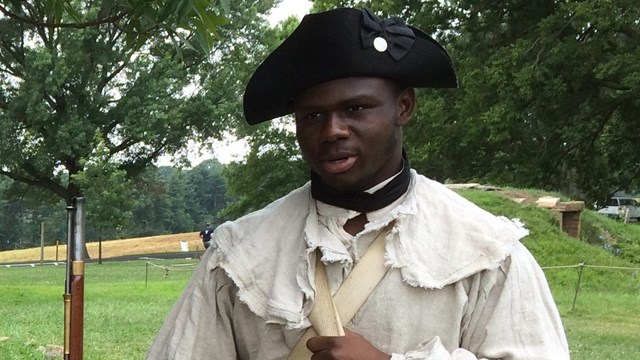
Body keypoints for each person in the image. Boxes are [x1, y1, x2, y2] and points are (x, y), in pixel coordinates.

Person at [148, 7, 570, 360]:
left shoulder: (485, 250)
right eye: (313, 115)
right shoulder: (238, 254)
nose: (332, 130)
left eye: (356, 108)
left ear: (403, 107)